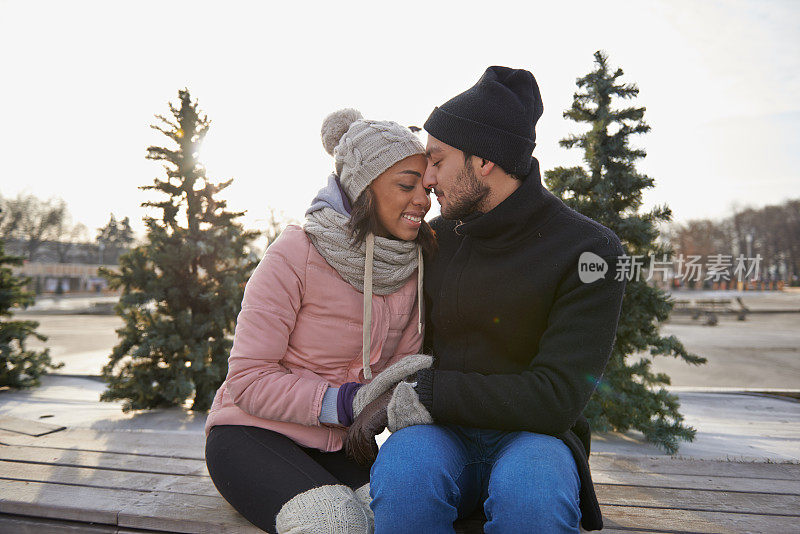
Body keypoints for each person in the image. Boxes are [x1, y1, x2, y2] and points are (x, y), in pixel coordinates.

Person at [349, 67, 627, 532]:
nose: (428, 179)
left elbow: (557, 397)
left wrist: (428, 392)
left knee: (534, 498)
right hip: (441, 435)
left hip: (535, 436)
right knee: (404, 476)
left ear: (484, 161)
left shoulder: (589, 250)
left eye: (437, 160)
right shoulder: (436, 240)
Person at [204, 108, 436, 534]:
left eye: (425, 188)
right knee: (333, 522)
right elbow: (249, 378)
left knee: (403, 510)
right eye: (406, 185)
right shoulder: (295, 253)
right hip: (252, 433)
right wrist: (348, 402)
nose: (422, 199)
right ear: (362, 187)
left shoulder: (414, 265)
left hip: (344, 445)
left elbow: (403, 370)